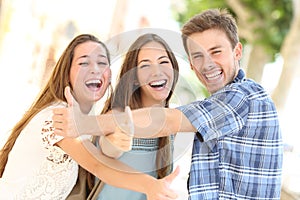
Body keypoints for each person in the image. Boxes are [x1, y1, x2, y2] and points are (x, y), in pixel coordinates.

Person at [53, 8, 283, 200]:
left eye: (216, 52)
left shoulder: (243, 97)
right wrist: (102, 133)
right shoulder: (119, 117)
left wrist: (85, 124)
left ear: (237, 51)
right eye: (198, 56)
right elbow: (109, 147)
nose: (208, 64)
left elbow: (167, 121)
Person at [0, 33, 179, 200]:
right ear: (66, 72)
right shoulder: (57, 116)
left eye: (102, 63)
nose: (95, 69)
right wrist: (150, 186)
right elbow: (98, 164)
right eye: (84, 63)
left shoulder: (86, 123)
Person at [95, 33, 179, 200]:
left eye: (163, 62)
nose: (157, 71)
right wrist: (116, 140)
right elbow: (109, 147)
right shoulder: (118, 116)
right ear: (134, 78)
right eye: (145, 65)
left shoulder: (170, 126)